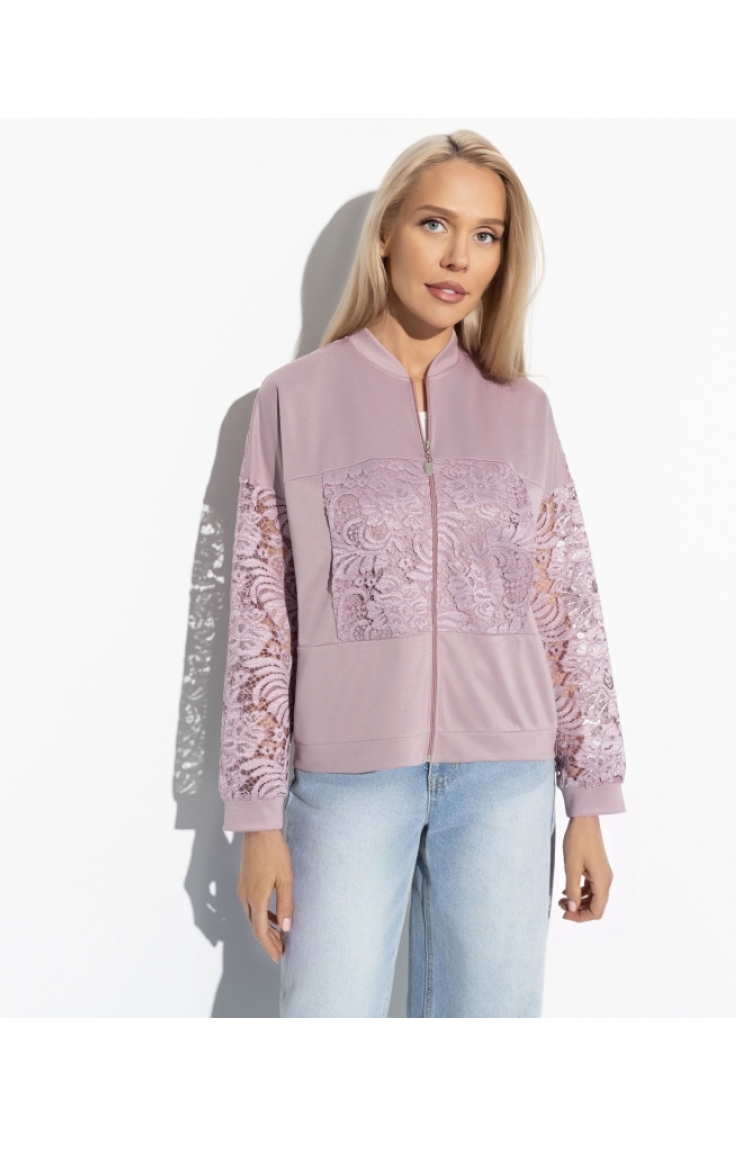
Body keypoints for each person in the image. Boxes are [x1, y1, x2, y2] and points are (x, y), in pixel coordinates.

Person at [217, 129, 627, 1018]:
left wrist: (588, 801)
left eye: (486, 235)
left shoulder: (523, 410)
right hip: (348, 780)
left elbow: (566, 608)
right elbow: (260, 614)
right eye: (435, 224)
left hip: (507, 782)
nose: (458, 258)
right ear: (386, 234)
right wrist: (255, 819)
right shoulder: (295, 399)